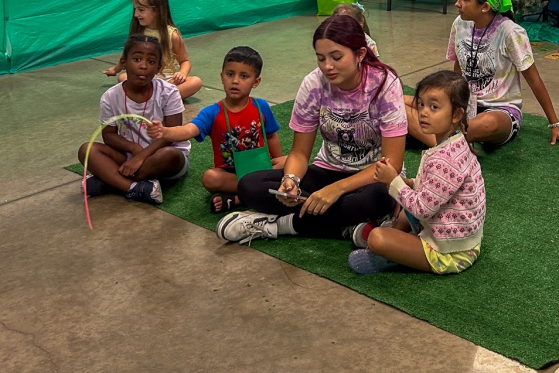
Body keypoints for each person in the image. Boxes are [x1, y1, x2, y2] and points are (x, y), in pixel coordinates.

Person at [215, 14, 407, 245]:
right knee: (249, 186)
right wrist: (291, 180)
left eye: (336, 57)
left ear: (360, 54)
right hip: (327, 170)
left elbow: (392, 163)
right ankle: (347, 225)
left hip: (372, 177)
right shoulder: (313, 84)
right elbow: (299, 153)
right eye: (320, 58)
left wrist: (336, 190)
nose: (327, 66)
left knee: (378, 197)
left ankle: (279, 225)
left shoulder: (385, 83)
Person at [405, 0, 559, 149]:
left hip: (500, 111)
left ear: (485, 7)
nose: (457, 3)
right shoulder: (459, 24)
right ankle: (450, 142)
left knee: (486, 124)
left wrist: (555, 125)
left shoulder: (511, 32)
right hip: (465, 106)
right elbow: (458, 70)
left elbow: (534, 80)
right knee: (399, 101)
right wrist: (450, 103)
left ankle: (441, 140)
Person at [348, 71, 486, 275]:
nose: (423, 112)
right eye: (421, 104)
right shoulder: (455, 144)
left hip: (450, 253)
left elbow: (422, 209)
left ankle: (394, 256)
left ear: (457, 115)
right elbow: (437, 189)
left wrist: (394, 182)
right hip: (460, 239)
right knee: (404, 210)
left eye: (434, 107)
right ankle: (398, 236)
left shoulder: (445, 159)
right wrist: (408, 183)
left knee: (377, 238)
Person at [147, 45, 285, 214]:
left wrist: (278, 164)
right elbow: (189, 130)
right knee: (210, 178)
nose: (235, 81)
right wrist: (165, 132)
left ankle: (238, 198)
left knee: (289, 162)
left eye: (244, 76)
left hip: (261, 169)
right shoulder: (212, 112)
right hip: (231, 175)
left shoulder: (261, 106)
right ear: (222, 76)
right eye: (230, 74)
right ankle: (260, 191)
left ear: (256, 82)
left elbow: (271, 136)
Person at [79, 34, 191, 205]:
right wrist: (134, 149)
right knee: (86, 150)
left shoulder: (169, 92)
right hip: (128, 157)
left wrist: (141, 157)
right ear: (123, 62)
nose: (143, 66)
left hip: (163, 158)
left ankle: (111, 181)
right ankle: (135, 187)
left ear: (158, 68)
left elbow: (172, 135)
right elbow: (108, 135)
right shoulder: (110, 97)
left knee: (170, 155)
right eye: (137, 59)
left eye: (151, 62)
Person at [104, 0, 202, 101]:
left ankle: (151, 96)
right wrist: (115, 70)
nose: (136, 14)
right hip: (143, 77)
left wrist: (182, 73)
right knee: (123, 77)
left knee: (196, 82)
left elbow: (184, 60)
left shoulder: (172, 35)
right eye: (135, 9)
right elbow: (126, 56)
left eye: (141, 10)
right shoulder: (138, 32)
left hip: (168, 81)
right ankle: (161, 97)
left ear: (157, 10)